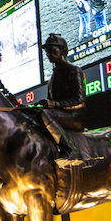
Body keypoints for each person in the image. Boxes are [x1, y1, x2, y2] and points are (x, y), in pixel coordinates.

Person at [37, 34, 86, 162]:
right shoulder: (52, 79)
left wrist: (54, 104)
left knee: (45, 114)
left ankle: (69, 149)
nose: (48, 54)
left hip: (74, 115)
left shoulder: (74, 70)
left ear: (62, 50)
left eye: (52, 50)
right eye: (47, 51)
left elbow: (79, 100)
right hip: (59, 115)